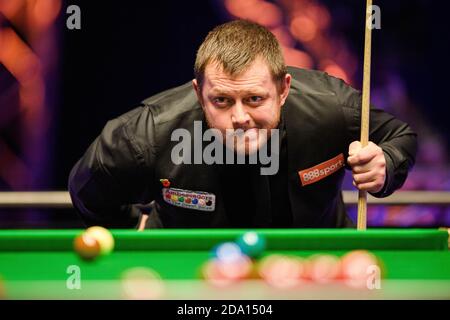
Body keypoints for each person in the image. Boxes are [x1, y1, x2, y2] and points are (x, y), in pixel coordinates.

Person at [68, 20, 417, 229]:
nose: (239, 118)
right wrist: (135, 227)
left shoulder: (331, 107)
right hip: (189, 276)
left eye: (254, 99)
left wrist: (385, 163)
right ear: (199, 92)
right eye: (221, 100)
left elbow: (399, 136)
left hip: (314, 269)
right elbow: (88, 187)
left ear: (283, 90)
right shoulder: (151, 131)